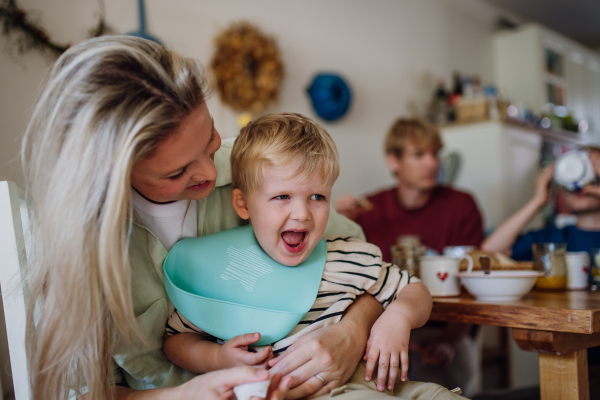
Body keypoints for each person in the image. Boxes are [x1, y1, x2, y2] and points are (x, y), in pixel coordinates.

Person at [21, 36, 388, 400]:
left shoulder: (251, 169)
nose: (210, 174)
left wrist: (351, 334)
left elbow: (365, 267)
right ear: (110, 176)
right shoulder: (73, 250)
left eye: (210, 142)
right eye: (177, 172)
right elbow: (79, 392)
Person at [163, 113, 433, 394]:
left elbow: (415, 290)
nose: (302, 214)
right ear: (243, 204)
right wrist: (217, 358)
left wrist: (399, 316)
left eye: (318, 197)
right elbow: (175, 340)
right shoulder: (223, 272)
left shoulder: (349, 256)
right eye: (282, 197)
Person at [335, 118, 485, 397]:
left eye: (435, 154)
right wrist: (336, 222)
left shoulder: (462, 205)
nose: (432, 163)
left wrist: (449, 342)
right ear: (393, 161)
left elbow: (473, 284)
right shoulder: (367, 209)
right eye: (419, 154)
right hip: (377, 329)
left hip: (447, 331)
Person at [481, 151, 600, 259]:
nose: (581, 185)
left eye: (594, 177)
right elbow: (491, 251)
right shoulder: (554, 238)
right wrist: (537, 201)